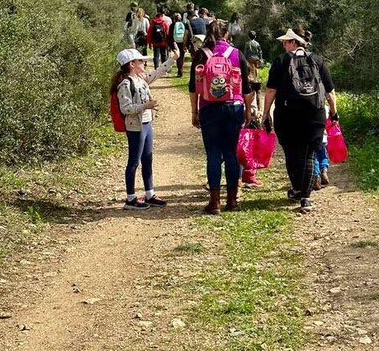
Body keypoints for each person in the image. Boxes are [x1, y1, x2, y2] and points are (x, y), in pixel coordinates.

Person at [262, 28, 337, 214]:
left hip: (287, 114)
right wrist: (334, 112)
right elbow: (329, 91)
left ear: (294, 43)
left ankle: (297, 188)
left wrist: (266, 113)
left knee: (291, 151)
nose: (284, 45)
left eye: (286, 41)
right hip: (314, 113)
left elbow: (271, 90)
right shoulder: (317, 60)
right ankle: (305, 197)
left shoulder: (281, 61)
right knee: (309, 153)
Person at [189, 20, 253, 214]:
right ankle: (232, 200)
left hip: (209, 109)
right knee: (231, 153)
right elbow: (247, 87)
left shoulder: (201, 54)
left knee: (214, 154)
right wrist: (248, 110)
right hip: (233, 107)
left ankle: (214, 202)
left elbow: (193, 87)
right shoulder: (236, 53)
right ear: (226, 34)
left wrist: (195, 111)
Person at [111, 46, 179, 209]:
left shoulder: (140, 79)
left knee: (147, 159)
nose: (144, 63)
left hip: (146, 124)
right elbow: (125, 108)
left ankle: (149, 194)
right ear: (131, 64)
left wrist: (172, 59)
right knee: (134, 161)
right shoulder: (125, 84)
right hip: (135, 126)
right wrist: (145, 105)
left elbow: (157, 73)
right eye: (141, 61)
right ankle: (130, 199)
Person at [170, 12, 186, 77]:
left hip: (175, 42)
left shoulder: (172, 25)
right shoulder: (184, 24)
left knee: (178, 56)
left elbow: (170, 35)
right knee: (182, 56)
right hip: (182, 41)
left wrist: (171, 44)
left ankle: (179, 70)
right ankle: (181, 69)